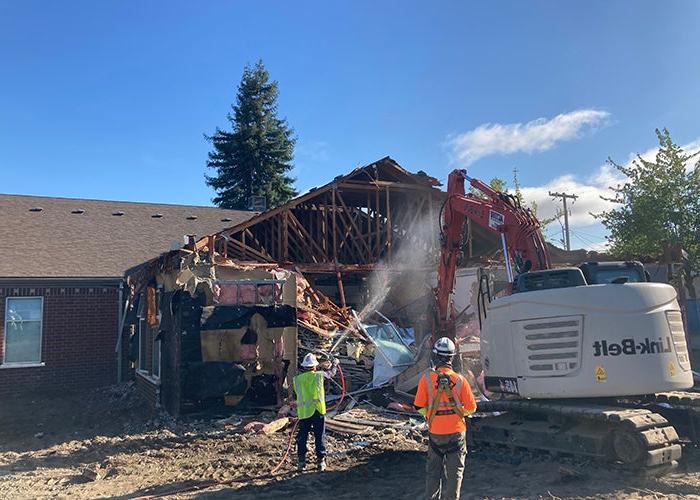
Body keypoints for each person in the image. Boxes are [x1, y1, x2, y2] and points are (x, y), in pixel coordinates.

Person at [414, 337, 477, 500]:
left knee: (433, 473)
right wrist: (458, 413)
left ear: (435, 356)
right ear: (452, 357)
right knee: (455, 473)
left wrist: (431, 415)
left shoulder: (426, 379)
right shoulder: (460, 381)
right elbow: (471, 408)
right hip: (457, 433)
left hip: (436, 433)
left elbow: (418, 406)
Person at [293, 352, 337, 472]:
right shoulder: (319, 375)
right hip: (318, 411)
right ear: (315, 366)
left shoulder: (297, 379)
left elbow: (294, 396)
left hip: (303, 413)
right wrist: (335, 364)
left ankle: (301, 462)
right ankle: (321, 461)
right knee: (319, 436)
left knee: (302, 437)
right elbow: (331, 374)